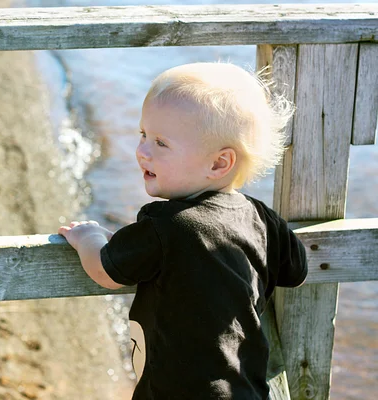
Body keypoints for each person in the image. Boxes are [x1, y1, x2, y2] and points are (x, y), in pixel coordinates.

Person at [57, 62, 308, 400]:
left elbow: (106, 270)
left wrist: (88, 237)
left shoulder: (165, 224)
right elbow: (297, 270)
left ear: (219, 163)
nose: (141, 151)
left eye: (161, 143)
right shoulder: (261, 218)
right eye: (143, 134)